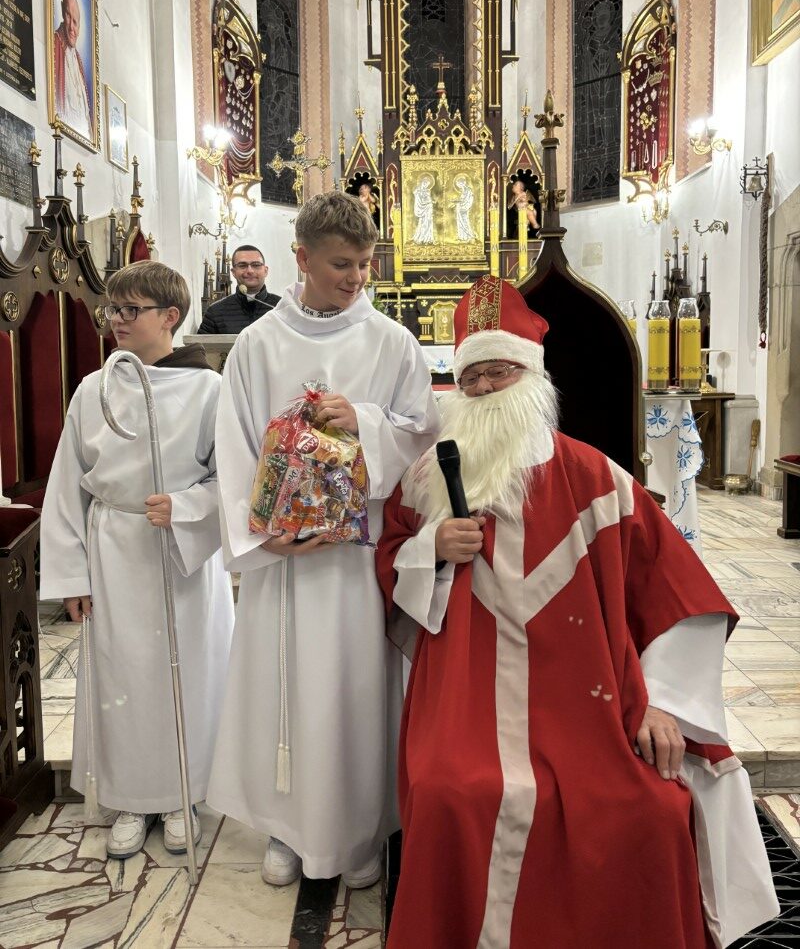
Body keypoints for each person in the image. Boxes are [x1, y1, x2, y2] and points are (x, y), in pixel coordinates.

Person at [376, 275, 778, 949]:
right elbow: (388, 565)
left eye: (498, 372)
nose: (482, 389)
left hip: (591, 710)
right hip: (465, 707)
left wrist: (664, 704)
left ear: (532, 378)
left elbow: (680, 594)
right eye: (470, 377)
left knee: (649, 810)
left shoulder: (600, 482)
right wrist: (431, 549)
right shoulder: (427, 482)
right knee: (451, 794)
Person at [207, 190, 439, 889]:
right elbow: (234, 445)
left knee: (354, 690)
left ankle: (359, 828)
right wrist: (262, 536)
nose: (357, 277)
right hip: (285, 558)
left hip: (356, 558)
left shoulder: (391, 342)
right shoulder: (257, 345)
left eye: (366, 264)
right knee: (284, 687)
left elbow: (422, 435)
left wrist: (363, 418)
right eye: (342, 264)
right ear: (301, 258)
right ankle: (288, 827)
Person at [40, 261, 234, 860]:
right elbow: (67, 485)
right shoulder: (93, 389)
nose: (117, 321)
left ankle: (182, 794)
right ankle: (129, 798)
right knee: (122, 674)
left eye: (131, 310)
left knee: (188, 671)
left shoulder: (208, 390)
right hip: (114, 550)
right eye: (113, 310)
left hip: (180, 554)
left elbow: (231, 479)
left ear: (170, 317)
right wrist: (71, 574)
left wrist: (185, 506)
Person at [197, 244, 279, 334]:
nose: (250, 271)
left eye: (256, 265)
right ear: (233, 272)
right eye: (242, 265)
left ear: (265, 271)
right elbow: (202, 343)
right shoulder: (215, 312)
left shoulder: (282, 307)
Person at [53, 0, 92, 137]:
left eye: (75, 22)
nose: (71, 28)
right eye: (68, 16)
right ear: (62, 11)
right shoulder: (55, 44)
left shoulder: (79, 61)